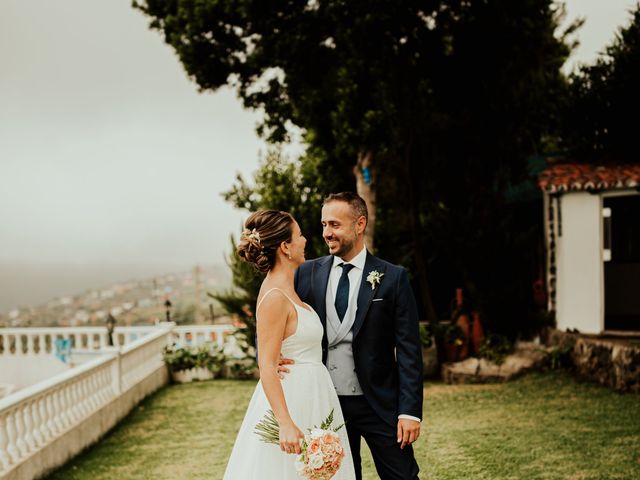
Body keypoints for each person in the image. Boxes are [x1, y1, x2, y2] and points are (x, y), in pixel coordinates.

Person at [293, 192, 424, 480]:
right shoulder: (306, 273)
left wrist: (410, 412)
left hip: (380, 404)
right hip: (327, 405)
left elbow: (409, 350)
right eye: (324, 224)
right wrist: (270, 356)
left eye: (335, 225)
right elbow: (275, 315)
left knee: (403, 477)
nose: (327, 233)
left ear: (360, 224)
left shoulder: (393, 277)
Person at [223, 210, 355, 479]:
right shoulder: (274, 296)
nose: (305, 240)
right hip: (293, 401)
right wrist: (284, 422)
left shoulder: (289, 288)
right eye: (299, 235)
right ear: (285, 246)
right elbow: (267, 366)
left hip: (313, 394)